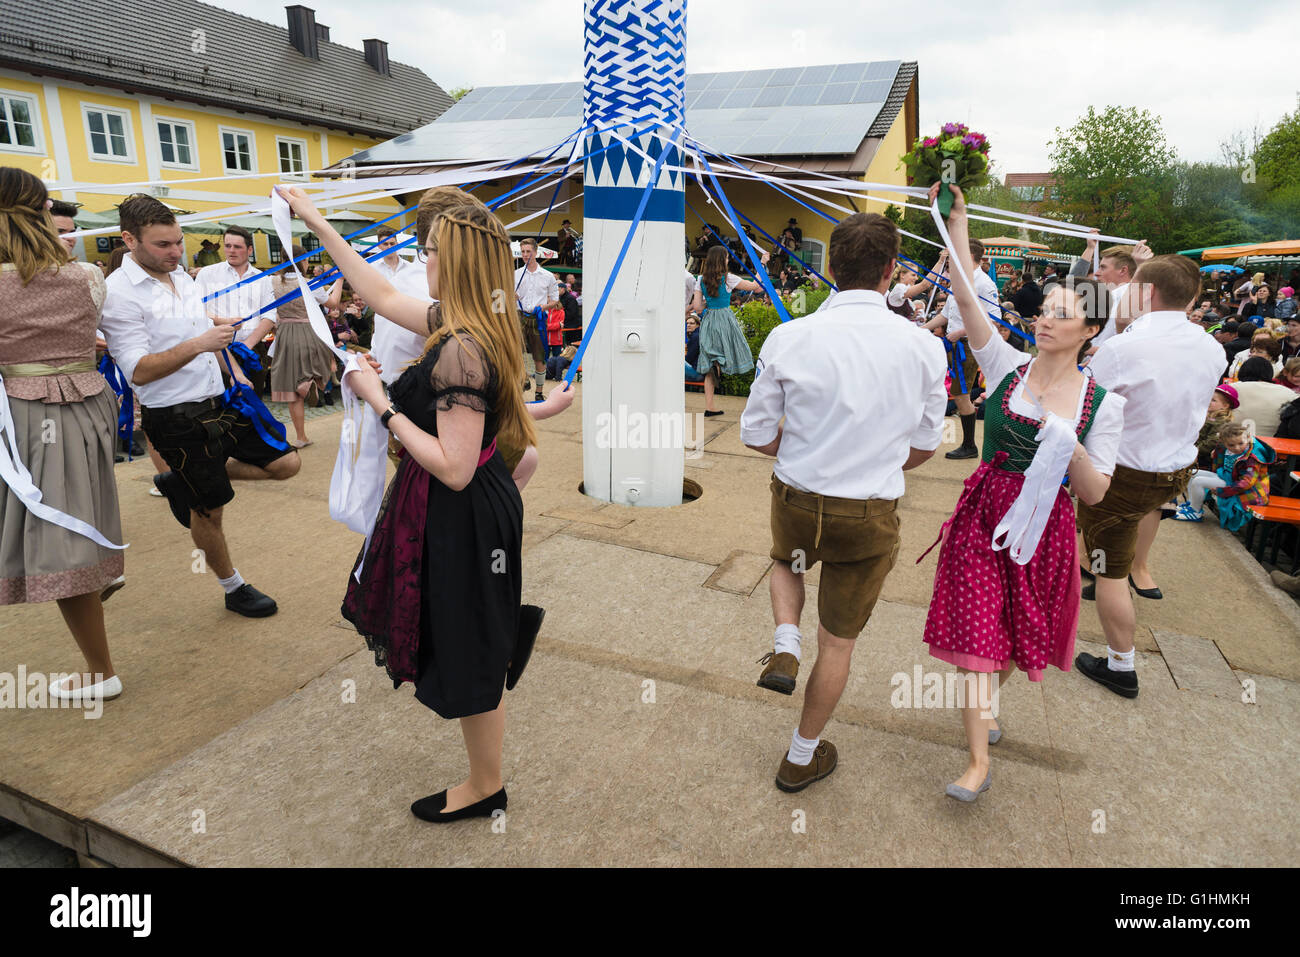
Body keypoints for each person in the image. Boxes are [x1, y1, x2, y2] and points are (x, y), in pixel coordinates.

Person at [277, 183, 542, 822]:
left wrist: (380, 399)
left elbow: (452, 467)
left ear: (454, 260)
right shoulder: (474, 322)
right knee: (474, 641)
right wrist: (314, 219)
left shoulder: (459, 347)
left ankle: (486, 787)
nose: (422, 259)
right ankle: (486, 778)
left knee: (470, 646)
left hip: (463, 509)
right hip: (479, 503)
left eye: (430, 250)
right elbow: (380, 291)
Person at [919, 185, 1121, 801]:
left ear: (1090, 329)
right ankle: (977, 762)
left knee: (1006, 638)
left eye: (1063, 313)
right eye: (1045, 309)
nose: (1046, 318)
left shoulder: (1101, 405)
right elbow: (961, 291)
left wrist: (1073, 447)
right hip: (985, 516)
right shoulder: (1005, 363)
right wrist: (958, 221)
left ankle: (986, 711)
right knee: (980, 639)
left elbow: (1093, 493)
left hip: (1045, 530)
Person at [740, 209, 947, 794]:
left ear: (831, 265)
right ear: (891, 272)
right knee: (839, 642)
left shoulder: (790, 336)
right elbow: (926, 446)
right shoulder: (922, 347)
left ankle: (785, 642)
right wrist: (875, 459)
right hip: (869, 509)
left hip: (800, 495)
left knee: (787, 558)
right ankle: (800, 756)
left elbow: (756, 435)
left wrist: (804, 448)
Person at [99, 194, 300, 617]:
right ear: (128, 240)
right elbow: (137, 370)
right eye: (163, 245)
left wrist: (217, 329)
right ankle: (234, 587)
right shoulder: (118, 294)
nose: (176, 252)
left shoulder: (185, 279)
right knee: (210, 512)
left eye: (178, 241)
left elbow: (187, 324)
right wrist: (200, 343)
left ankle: (184, 479)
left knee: (287, 464)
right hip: (175, 418)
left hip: (219, 400)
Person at [0, 167, 125, 701]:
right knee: (76, 518)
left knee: (59, 535)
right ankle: (97, 575)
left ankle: (101, 672)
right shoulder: (87, 277)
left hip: (26, 413)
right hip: (89, 406)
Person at [1074, 255, 1223, 698]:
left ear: (1146, 293)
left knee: (1109, 573)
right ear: (1192, 297)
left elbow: (1085, 401)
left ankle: (1121, 665)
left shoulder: (1124, 348)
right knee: (1117, 552)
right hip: (1173, 470)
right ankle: (1112, 573)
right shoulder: (1211, 347)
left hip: (1124, 474)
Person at [913, 241, 1001, 459]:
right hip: (953, 344)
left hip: (970, 346)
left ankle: (969, 445)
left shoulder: (984, 283)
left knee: (960, 394)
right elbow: (946, 315)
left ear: (969, 255)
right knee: (954, 392)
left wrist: (960, 332)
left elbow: (994, 320)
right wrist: (920, 330)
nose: (952, 259)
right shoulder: (958, 281)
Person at [268, 243, 342, 447]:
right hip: (309, 332)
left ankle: (300, 437)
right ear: (303, 261)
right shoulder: (310, 284)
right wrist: (340, 280)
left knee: (291, 389)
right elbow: (333, 303)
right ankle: (310, 382)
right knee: (319, 364)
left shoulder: (271, 282)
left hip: (285, 335)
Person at [194, 227, 278, 391]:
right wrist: (222, 321)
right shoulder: (207, 274)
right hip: (217, 350)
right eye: (228, 246)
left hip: (253, 349)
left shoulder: (262, 278)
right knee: (222, 405)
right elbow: (195, 310)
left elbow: (269, 315)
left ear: (249, 250)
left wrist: (247, 345)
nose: (231, 251)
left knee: (254, 401)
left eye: (237, 247)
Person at [695, 244, 763, 417]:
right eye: (726, 257)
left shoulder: (700, 280)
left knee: (710, 362)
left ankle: (709, 407)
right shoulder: (729, 278)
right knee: (735, 352)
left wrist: (708, 303)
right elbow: (754, 286)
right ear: (721, 260)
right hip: (724, 320)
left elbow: (697, 307)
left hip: (709, 320)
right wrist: (762, 263)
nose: (728, 260)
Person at [368, 227, 429, 389]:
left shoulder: (409, 268)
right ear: (378, 246)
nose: (389, 247)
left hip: (406, 317)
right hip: (383, 317)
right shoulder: (372, 269)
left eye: (392, 243)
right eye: (384, 244)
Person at [514, 238, 560, 402]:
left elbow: (554, 301)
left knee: (539, 357)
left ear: (535, 252)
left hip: (538, 319)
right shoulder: (516, 274)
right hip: (519, 317)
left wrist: (543, 308)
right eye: (523, 252)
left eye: (528, 251)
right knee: (515, 354)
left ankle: (539, 392)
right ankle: (520, 383)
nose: (525, 255)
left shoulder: (548, 276)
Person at [1234, 356, 1295, 438]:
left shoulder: (1230, 389)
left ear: (1242, 371)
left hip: (1233, 442)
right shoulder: (1289, 393)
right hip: (1274, 444)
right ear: (1270, 372)